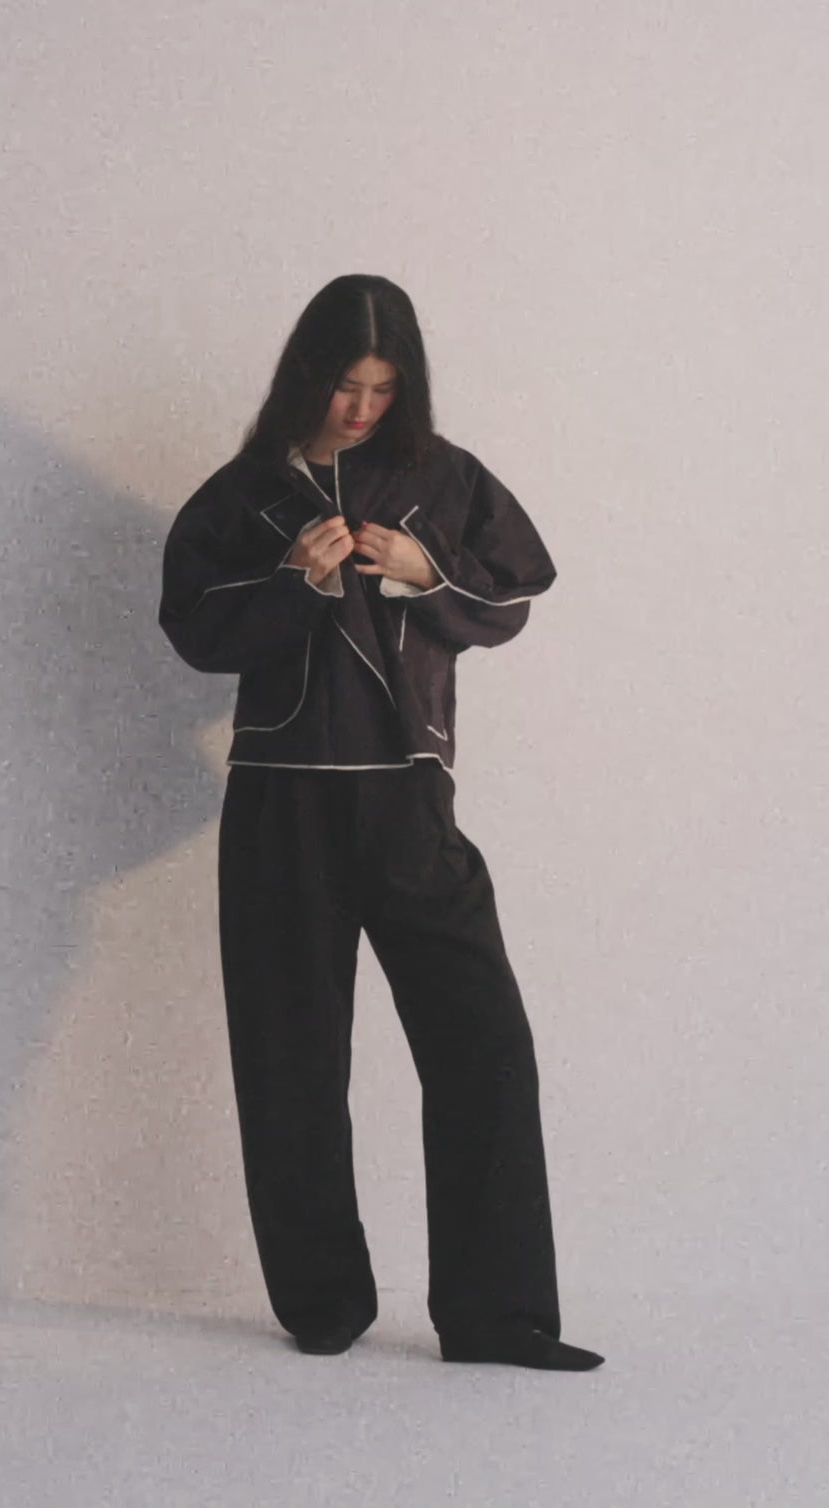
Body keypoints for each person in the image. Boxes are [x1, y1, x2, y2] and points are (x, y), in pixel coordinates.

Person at [158, 274, 604, 1371]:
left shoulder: (442, 477)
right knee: (291, 1058)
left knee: (484, 1045)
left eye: (383, 387)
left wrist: (423, 572)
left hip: (409, 796)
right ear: (306, 374)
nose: (361, 408)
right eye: (345, 384)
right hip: (281, 801)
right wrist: (290, 581)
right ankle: (323, 1302)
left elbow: (511, 597)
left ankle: (497, 1315)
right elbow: (196, 632)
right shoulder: (247, 490)